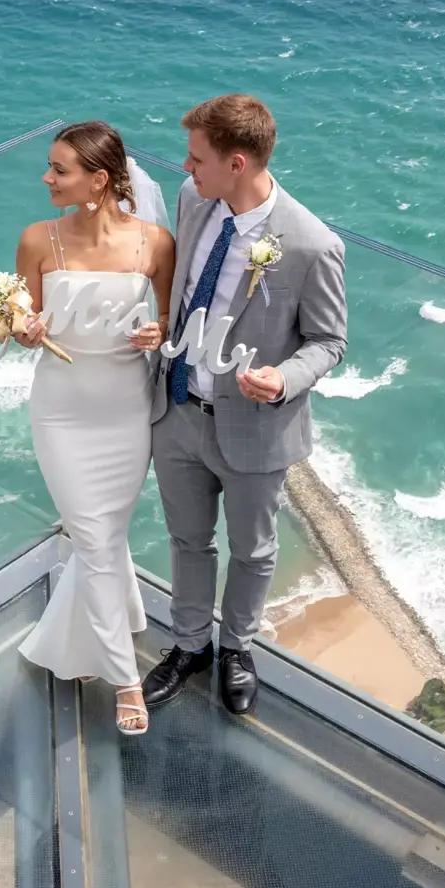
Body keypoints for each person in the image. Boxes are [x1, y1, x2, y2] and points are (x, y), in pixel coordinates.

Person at [132, 94, 347, 715]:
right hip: (177, 410)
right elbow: (179, 289)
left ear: (237, 162)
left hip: (256, 427)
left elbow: (329, 341)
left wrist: (283, 378)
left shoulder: (312, 245)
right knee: (186, 540)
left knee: (252, 551)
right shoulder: (196, 200)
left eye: (197, 158)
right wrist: (161, 327)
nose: (186, 168)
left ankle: (238, 648)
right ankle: (190, 644)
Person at [12, 121, 177, 736]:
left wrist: (158, 332)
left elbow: (169, 323)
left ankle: (72, 644)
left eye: (59, 170)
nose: (46, 179)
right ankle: (125, 678)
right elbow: (14, 320)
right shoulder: (37, 240)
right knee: (97, 539)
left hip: (125, 411)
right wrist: (21, 328)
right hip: (61, 411)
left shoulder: (157, 244)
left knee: (101, 538)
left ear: (98, 180)